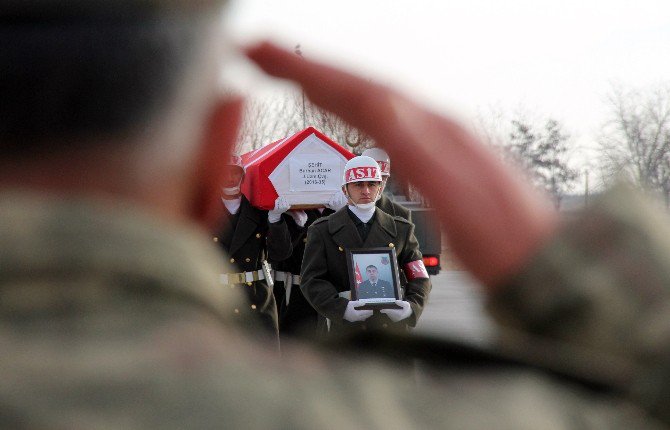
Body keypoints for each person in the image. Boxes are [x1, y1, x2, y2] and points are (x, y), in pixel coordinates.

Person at [3, 2, 670, 428]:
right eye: (353, 185)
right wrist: (581, 273)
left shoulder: (394, 226)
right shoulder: (362, 414)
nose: (359, 192)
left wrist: (399, 310)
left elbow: (416, 272)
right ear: (216, 156)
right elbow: (308, 270)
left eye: (365, 184)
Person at [300, 155, 432, 335]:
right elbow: (311, 280)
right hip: (346, 333)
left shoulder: (401, 230)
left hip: (392, 332)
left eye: (371, 184)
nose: (366, 191)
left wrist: (410, 307)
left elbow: (419, 276)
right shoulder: (322, 231)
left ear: (380, 188)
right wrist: (341, 309)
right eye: (358, 185)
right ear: (345, 190)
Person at [212, 154, 293, 342]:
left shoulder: (259, 210)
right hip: (220, 296)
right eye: (225, 173)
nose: (231, 179)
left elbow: (280, 254)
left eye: (236, 173)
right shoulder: (207, 212)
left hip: (257, 296)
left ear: (243, 177)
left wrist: (276, 221)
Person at [275, 191, 348, 338]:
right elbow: (280, 253)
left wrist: (345, 216)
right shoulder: (292, 208)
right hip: (295, 293)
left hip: (334, 295)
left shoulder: (345, 210)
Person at [362, 147, 412, 222]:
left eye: (383, 178)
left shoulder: (401, 214)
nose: (379, 184)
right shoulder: (343, 211)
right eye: (374, 178)